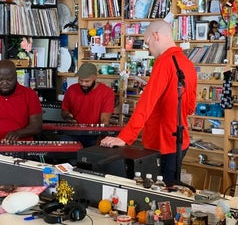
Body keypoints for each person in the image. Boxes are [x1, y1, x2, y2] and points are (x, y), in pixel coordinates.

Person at [100, 20, 197, 183]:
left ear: (155, 36)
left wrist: (125, 137)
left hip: (162, 143)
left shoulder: (164, 62)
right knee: (171, 191)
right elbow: (190, 107)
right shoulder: (187, 63)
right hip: (180, 141)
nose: (149, 49)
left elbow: (146, 103)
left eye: (147, 43)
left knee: (159, 196)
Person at [61, 63, 116, 147]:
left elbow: (105, 120)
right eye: (80, 80)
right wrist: (68, 116)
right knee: (62, 148)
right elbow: (64, 111)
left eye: (87, 81)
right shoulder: (71, 89)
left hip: (94, 135)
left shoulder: (107, 92)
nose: (83, 84)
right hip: (74, 132)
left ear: (95, 78)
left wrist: (101, 137)